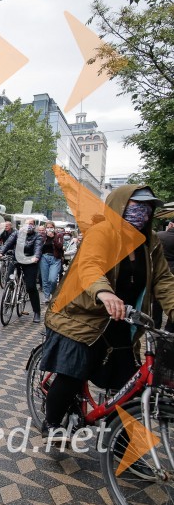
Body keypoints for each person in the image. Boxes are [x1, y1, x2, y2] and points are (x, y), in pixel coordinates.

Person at [41, 186, 174, 438]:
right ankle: (52, 424)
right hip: (82, 316)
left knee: (127, 387)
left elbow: (164, 281)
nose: (143, 214)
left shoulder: (150, 243)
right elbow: (89, 266)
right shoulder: (102, 232)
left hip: (123, 320)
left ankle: (122, 447)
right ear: (119, 206)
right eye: (136, 207)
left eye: (148, 208)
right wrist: (104, 292)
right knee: (72, 373)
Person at [0, 218, 44, 322]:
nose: (29, 225)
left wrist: (36, 257)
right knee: (8, 280)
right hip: (16, 259)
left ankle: (37, 312)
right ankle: (7, 302)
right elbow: (8, 243)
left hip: (30, 261)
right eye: (27, 224)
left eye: (31, 224)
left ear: (34, 226)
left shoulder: (37, 236)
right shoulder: (17, 233)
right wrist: (1, 252)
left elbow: (38, 248)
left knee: (31, 287)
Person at [153, 220, 174, 329]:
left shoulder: (159, 235)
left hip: (161, 269)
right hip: (169, 272)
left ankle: (155, 325)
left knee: (157, 303)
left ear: (171, 225)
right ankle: (169, 329)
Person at [39, 221, 65, 303]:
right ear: (45, 228)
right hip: (44, 258)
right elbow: (38, 246)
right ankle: (47, 297)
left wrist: (53, 238)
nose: (49, 229)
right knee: (45, 279)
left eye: (51, 227)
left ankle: (52, 292)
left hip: (55, 258)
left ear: (54, 228)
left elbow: (60, 246)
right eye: (48, 227)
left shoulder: (59, 235)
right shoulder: (43, 236)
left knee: (52, 279)